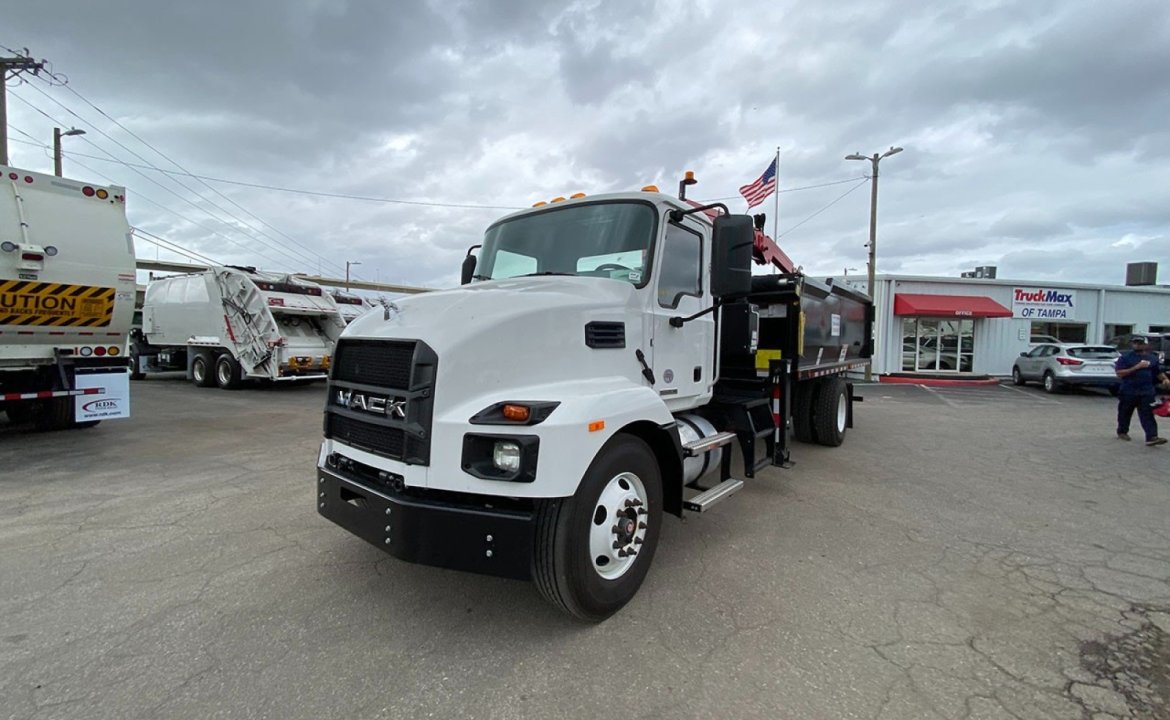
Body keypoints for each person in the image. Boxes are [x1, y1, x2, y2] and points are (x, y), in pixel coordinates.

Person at [1114, 335, 1169, 446]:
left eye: (1139, 343)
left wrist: (1165, 379)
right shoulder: (1125, 357)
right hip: (1129, 390)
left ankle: (1152, 437)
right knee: (1125, 412)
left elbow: (1157, 372)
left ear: (1146, 345)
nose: (1137, 345)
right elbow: (1119, 373)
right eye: (1135, 343)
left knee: (1148, 413)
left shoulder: (1152, 358)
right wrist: (1136, 367)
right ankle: (1122, 431)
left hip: (1147, 391)